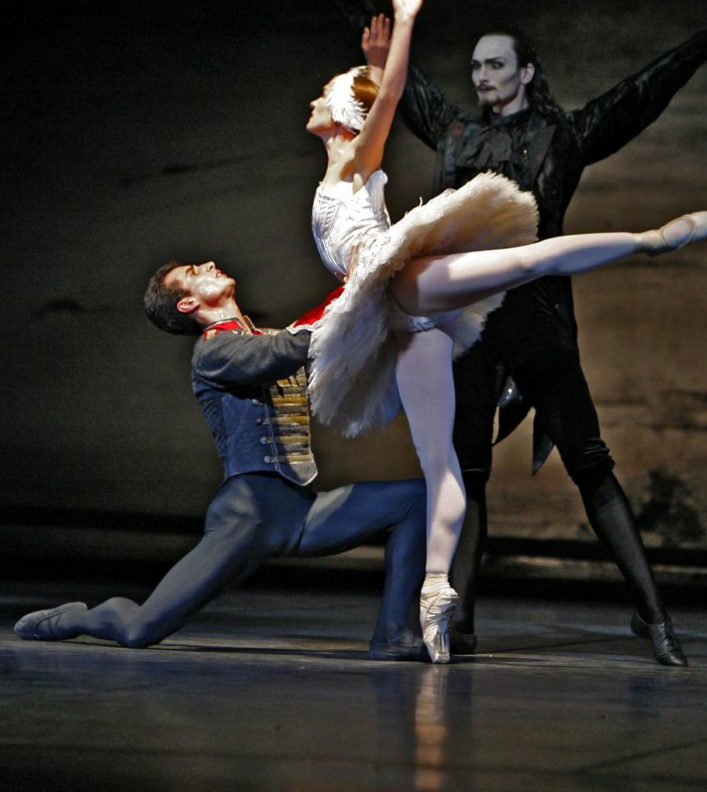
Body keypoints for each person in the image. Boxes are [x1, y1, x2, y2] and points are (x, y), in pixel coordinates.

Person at [332, 0, 707, 666]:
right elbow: (403, 80)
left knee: (590, 463)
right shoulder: (457, 131)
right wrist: (354, 2)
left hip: (536, 324)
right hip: (464, 324)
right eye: (475, 65)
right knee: (465, 471)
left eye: (495, 63)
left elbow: (638, 94)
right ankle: (456, 617)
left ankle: (654, 618)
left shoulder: (560, 134)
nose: (481, 75)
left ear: (526, 71)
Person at [15, 260, 429, 661]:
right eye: (194, 273)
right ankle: (85, 617)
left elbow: (304, 335)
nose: (210, 263)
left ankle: (393, 633)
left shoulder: (259, 337)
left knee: (416, 498)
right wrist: (360, 290)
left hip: (299, 515)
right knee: (139, 631)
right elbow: (293, 346)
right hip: (245, 520)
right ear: (187, 305)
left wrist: (366, 284)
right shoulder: (214, 351)